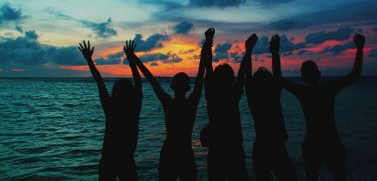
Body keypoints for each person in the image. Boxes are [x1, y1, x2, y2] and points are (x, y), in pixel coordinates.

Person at [128, 28, 213, 180]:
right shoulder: (190, 103)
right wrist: (207, 44)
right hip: (185, 152)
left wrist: (133, 58)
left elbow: (150, 78)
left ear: (172, 86)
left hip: (170, 151)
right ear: (187, 87)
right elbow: (201, 74)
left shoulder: (168, 102)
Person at [280, 34, 365, 181]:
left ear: (302, 77)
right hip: (331, 140)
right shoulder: (328, 90)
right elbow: (354, 74)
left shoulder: (304, 93)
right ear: (318, 74)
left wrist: (275, 53)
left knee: (312, 176)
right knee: (338, 176)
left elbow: (279, 79)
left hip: (313, 141)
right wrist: (359, 48)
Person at [78, 40, 143, 181]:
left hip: (109, 158)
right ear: (131, 94)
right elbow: (138, 82)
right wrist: (131, 58)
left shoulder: (111, 108)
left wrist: (89, 60)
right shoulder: (133, 109)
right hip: (126, 158)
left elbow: (100, 82)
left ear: (114, 93)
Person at [245, 34, 297, 181]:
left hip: (262, 147)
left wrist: (248, 50)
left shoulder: (254, 97)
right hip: (275, 147)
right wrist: (274, 52)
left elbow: (247, 76)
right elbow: (277, 75)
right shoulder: (273, 95)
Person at [204, 33, 253, 181]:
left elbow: (207, 65)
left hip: (217, 152)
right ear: (231, 80)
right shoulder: (233, 95)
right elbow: (243, 72)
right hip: (234, 150)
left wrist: (208, 42)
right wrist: (248, 50)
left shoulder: (212, 95)